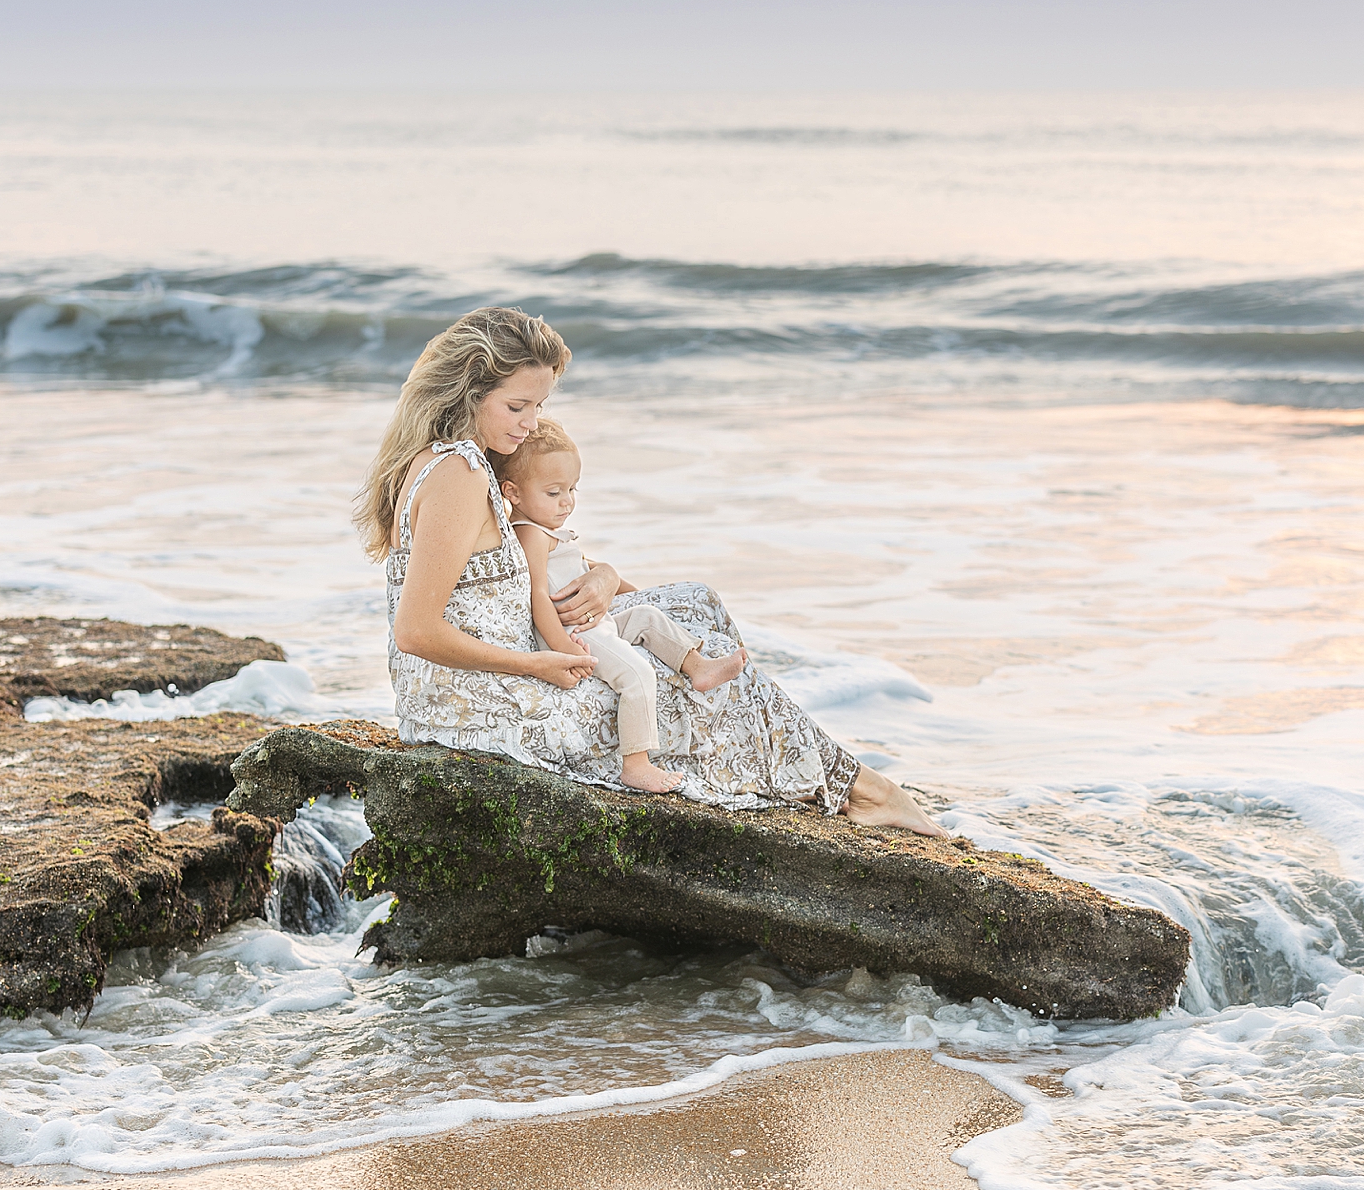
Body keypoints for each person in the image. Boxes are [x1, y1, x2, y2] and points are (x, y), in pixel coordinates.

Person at [354, 305, 942, 834]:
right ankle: (862, 791)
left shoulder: (467, 462)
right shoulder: (458, 474)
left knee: (694, 604)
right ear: (467, 391)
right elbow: (417, 632)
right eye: (516, 405)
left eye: (539, 406)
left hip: (510, 675)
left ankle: (831, 785)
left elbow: (538, 569)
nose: (532, 423)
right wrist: (539, 663)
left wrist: (605, 577)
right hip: (483, 710)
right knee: (689, 674)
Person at [495, 417, 747, 795]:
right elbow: (537, 598)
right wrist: (563, 649)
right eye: (553, 493)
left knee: (646, 616)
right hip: (574, 635)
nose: (567, 501)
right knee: (637, 674)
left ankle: (698, 667)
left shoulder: (547, 530)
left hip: (596, 626)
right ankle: (636, 765)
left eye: (572, 489)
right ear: (512, 492)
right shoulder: (530, 534)